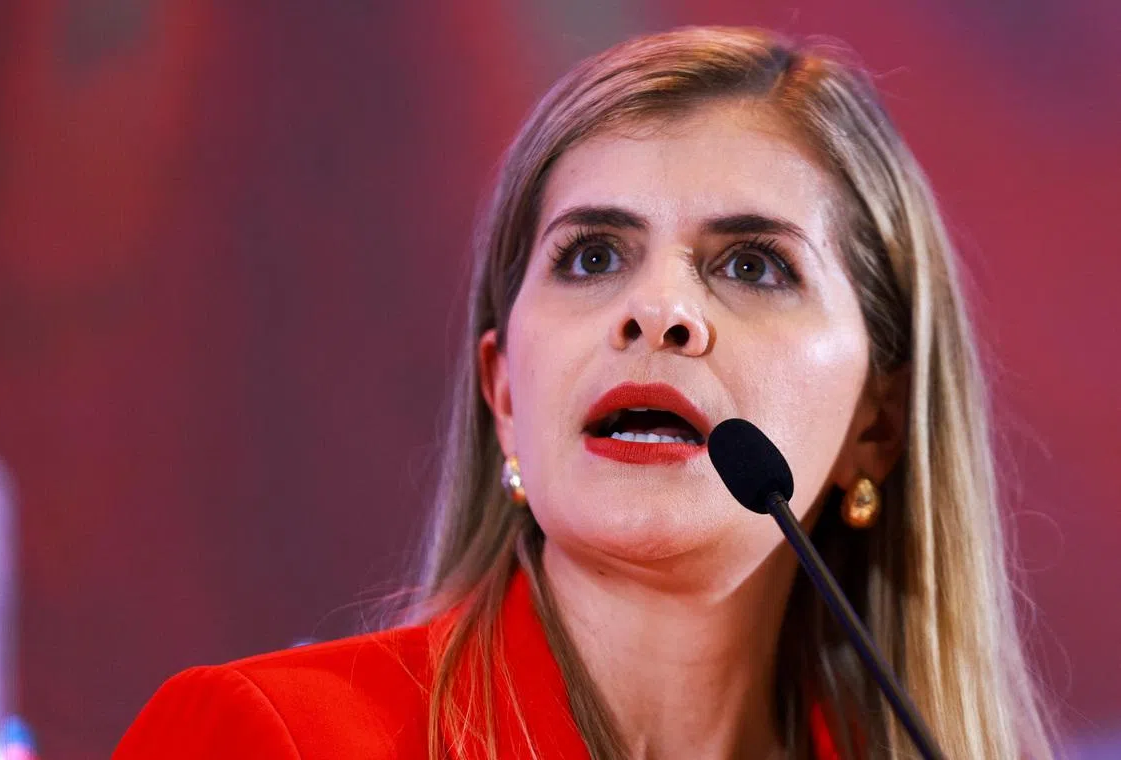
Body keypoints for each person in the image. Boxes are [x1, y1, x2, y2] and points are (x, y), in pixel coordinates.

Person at [114, 26, 1054, 760]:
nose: (657, 310)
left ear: (876, 427)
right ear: (505, 393)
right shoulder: (268, 740)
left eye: (754, 264)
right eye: (593, 255)